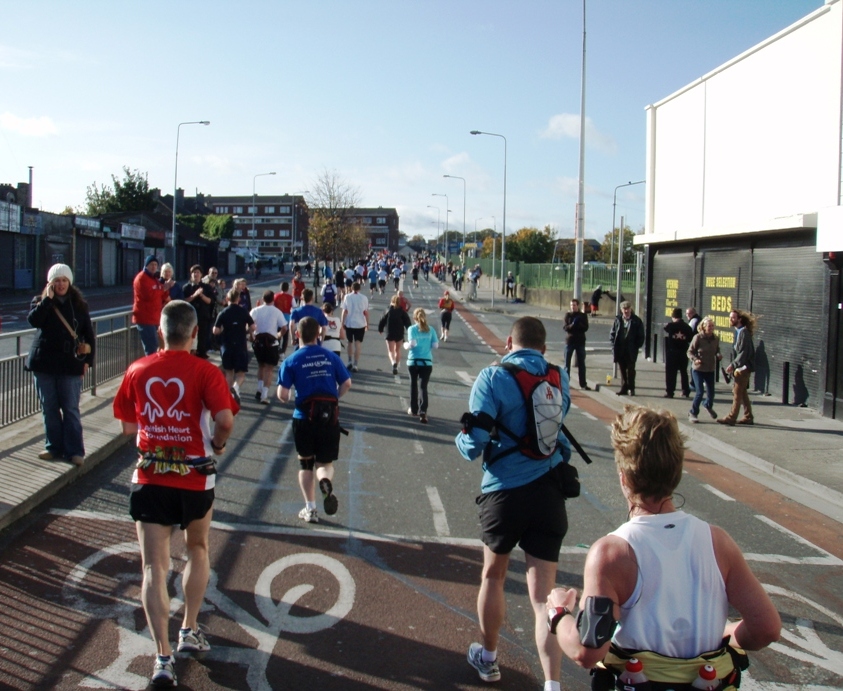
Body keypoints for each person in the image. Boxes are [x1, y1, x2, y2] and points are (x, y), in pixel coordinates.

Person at [547, 406, 780, 687]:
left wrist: (559, 613)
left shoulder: (611, 553)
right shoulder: (718, 541)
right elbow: (766, 628)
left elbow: (586, 650)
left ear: (624, 476)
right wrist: (728, 634)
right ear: (676, 473)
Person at [113, 299, 237, 689]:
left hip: (150, 476)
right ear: (195, 332)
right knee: (197, 549)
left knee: (153, 567)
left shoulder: (137, 369)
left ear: (162, 331)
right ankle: (189, 628)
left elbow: (127, 430)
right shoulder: (205, 371)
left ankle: (162, 657)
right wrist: (216, 445)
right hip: (194, 478)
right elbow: (225, 419)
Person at [455, 316, 573, 689]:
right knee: (543, 599)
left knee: (494, 576)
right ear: (543, 348)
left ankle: (489, 659)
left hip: (504, 491)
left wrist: (462, 445)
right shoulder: (558, 376)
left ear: (509, 342)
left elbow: (473, 441)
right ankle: (553, 683)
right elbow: (557, 433)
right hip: (549, 491)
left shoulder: (492, 377)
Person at [277, 316, 352, 524]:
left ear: (298, 334)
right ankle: (324, 478)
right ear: (319, 334)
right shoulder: (330, 356)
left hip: (303, 418)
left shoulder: (291, 360)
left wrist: (290, 396)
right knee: (325, 463)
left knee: (305, 463)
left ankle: (310, 509)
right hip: (329, 418)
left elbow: (283, 395)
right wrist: (333, 397)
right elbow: (347, 383)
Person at [26, 263, 94, 467]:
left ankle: (75, 450)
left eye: (64, 280)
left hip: (70, 364)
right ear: (51, 283)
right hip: (44, 364)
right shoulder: (41, 302)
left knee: (70, 408)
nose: (61, 284)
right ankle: (53, 446)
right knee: (49, 407)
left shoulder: (79, 304)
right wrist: (47, 300)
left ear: (70, 282)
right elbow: (34, 321)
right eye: (57, 281)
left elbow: (89, 335)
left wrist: (88, 362)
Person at [213, 288, 255, 405]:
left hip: (227, 345)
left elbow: (215, 331)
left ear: (227, 299)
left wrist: (222, 330)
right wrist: (246, 330)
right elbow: (253, 327)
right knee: (240, 374)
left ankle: (228, 396)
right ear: (238, 299)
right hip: (240, 345)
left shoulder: (223, 312)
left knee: (229, 372)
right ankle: (235, 388)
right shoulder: (243, 312)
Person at [718, 309, 757, 426]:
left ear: (739, 319)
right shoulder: (739, 332)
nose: (730, 320)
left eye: (733, 318)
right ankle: (748, 416)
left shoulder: (743, 333)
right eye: (730, 317)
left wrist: (733, 365)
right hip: (741, 367)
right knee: (742, 392)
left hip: (743, 368)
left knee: (736, 393)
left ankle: (731, 418)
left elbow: (743, 353)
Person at [250, 289, 288, 405]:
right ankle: (264, 395)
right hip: (271, 342)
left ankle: (259, 389)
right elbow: (284, 328)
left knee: (261, 365)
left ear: (263, 299)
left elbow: (250, 325)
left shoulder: (255, 310)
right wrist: (279, 335)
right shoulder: (277, 312)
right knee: (269, 368)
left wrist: (252, 336)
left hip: (258, 341)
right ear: (273, 299)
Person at [133, 255, 172, 356]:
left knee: (158, 345)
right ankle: (151, 370)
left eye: (155, 265)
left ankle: (154, 367)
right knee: (152, 347)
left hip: (154, 317)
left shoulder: (154, 278)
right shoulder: (141, 278)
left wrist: (166, 288)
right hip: (145, 318)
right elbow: (148, 295)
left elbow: (162, 294)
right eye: (151, 265)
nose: (154, 267)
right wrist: (163, 289)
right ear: (146, 265)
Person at [405, 308, 439, 423]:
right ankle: (423, 411)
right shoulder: (431, 329)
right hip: (427, 362)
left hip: (413, 361)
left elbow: (412, 344)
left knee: (413, 384)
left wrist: (405, 345)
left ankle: (413, 409)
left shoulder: (412, 329)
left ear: (414, 318)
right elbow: (435, 345)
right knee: (423, 387)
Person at [688, 317, 721, 423]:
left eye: (712, 326)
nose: (711, 328)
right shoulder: (698, 337)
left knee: (711, 393)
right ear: (703, 326)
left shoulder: (715, 338)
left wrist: (718, 354)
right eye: (709, 326)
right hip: (698, 369)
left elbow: (716, 350)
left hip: (710, 369)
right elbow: (689, 352)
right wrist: (695, 359)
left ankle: (707, 405)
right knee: (700, 392)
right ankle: (693, 412)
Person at [610, 301, 645, 396]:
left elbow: (641, 336)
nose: (626, 311)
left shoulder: (636, 321)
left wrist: (636, 346)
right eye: (624, 309)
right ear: (621, 310)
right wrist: (613, 345)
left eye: (628, 309)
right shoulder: (618, 320)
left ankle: (631, 388)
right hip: (620, 349)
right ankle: (624, 388)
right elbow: (613, 334)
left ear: (630, 309)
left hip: (631, 350)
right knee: (622, 370)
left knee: (630, 370)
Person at [183, 265, 215, 359]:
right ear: (191, 274)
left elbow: (210, 301)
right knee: (190, 339)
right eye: (194, 272)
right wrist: (194, 295)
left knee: (202, 339)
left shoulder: (206, 287)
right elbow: (184, 301)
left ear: (201, 275)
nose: (196, 274)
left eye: (198, 272)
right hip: (190, 318)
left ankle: (201, 355)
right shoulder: (186, 287)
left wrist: (201, 295)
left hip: (203, 317)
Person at [663, 307, 694, 398]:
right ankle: (685, 390)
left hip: (672, 352)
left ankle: (670, 392)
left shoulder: (670, 325)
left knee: (670, 373)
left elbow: (665, 328)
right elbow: (690, 338)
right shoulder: (687, 327)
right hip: (683, 352)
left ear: (673, 317)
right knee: (684, 372)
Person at [379, 295, 411, 375]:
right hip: (399, 332)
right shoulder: (402, 311)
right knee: (397, 350)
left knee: (391, 350)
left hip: (390, 332)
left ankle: (393, 362)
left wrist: (380, 328)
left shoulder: (388, 310)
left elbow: (382, 319)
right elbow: (407, 321)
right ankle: (396, 366)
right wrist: (409, 329)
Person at [341, 281, 369, 373]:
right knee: (358, 343)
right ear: (359, 288)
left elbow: (344, 311)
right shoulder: (364, 298)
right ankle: (356, 364)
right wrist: (367, 324)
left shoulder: (347, 297)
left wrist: (342, 322)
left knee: (349, 342)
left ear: (351, 288)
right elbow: (366, 312)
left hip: (349, 322)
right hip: (360, 323)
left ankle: (349, 361)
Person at [563, 298, 590, 390]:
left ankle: (583, 384)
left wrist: (578, 324)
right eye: (571, 305)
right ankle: (566, 383)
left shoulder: (582, 316)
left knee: (581, 363)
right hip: (570, 341)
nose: (572, 307)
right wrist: (572, 325)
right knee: (567, 363)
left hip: (580, 341)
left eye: (574, 305)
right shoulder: (568, 315)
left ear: (577, 306)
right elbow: (565, 328)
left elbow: (585, 328)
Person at [273, 281, 295, 358]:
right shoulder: (290, 297)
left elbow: (272, 305)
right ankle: (282, 351)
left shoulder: (275, 296)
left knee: (277, 334)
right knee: (285, 336)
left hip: (277, 318)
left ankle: (277, 349)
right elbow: (294, 306)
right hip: (286, 318)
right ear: (288, 288)